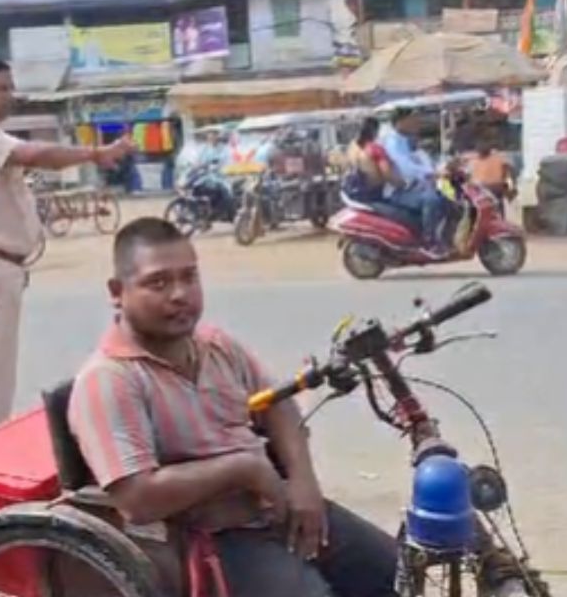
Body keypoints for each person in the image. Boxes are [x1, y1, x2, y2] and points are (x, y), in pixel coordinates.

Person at [68, 218, 540, 597]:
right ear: (117, 290)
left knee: (402, 576)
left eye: (189, 277)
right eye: (158, 283)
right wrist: (244, 470)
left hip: (285, 508)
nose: (179, 294)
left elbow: (280, 409)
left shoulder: (215, 345)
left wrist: (304, 484)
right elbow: (138, 496)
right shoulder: (110, 381)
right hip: (215, 537)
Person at [0, 56, 134, 435]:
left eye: (12, 89)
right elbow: (34, 155)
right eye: (1, 89)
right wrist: (94, 153)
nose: (10, 98)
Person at [379, 108, 451, 254]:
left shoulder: (405, 140)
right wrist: (432, 172)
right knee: (432, 200)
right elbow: (405, 166)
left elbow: (419, 160)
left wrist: (441, 167)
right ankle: (429, 240)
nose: (416, 122)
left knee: (448, 194)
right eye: (412, 119)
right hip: (399, 190)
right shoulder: (392, 142)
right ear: (401, 121)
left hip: (415, 186)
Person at [344, 116, 397, 202]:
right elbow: (388, 175)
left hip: (355, 193)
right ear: (376, 131)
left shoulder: (352, 146)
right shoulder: (375, 149)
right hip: (374, 194)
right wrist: (403, 185)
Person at [471, 145, 515, 217]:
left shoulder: (496, 158)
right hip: (488, 187)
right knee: (494, 208)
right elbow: (508, 171)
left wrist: (509, 185)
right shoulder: (477, 160)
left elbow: (508, 172)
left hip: (491, 187)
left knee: (492, 207)